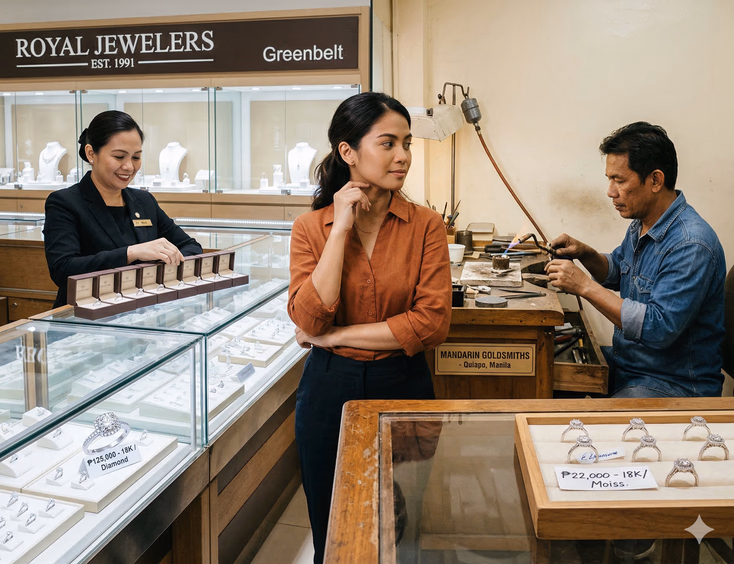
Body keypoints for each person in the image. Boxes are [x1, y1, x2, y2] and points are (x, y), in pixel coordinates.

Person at [288, 92, 452, 563]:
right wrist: (339, 228)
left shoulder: (426, 226)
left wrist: (336, 336)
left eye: (406, 143)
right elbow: (308, 317)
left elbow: (430, 323)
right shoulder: (311, 228)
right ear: (348, 151)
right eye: (388, 143)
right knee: (333, 523)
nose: (402, 156)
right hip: (328, 391)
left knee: (404, 526)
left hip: (402, 385)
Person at [546, 121, 726, 399]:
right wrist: (585, 253)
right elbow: (617, 272)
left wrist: (583, 286)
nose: (610, 191)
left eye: (619, 180)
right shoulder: (644, 222)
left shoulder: (692, 244)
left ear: (655, 180)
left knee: (589, 427)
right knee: (544, 374)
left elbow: (658, 328)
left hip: (673, 384)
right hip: (629, 365)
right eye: (609, 179)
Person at [44, 110, 202, 307]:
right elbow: (63, 269)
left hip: (141, 315)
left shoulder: (144, 201)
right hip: (85, 319)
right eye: (119, 157)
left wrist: (158, 266)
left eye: (136, 157)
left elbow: (192, 247)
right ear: (91, 153)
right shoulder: (64, 203)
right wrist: (131, 253)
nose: (129, 166)